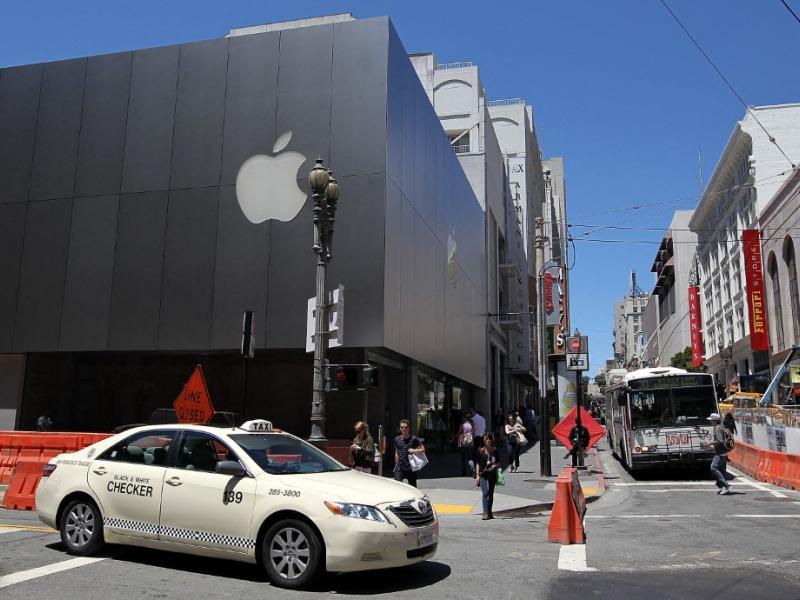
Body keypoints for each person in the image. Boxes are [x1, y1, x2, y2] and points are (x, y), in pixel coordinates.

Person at [475, 433, 501, 520]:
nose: (488, 440)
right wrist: (477, 476)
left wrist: (495, 466)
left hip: (492, 474)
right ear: (484, 440)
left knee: (491, 493)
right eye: (487, 439)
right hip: (483, 474)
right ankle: (485, 512)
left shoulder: (495, 451)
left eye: (490, 439)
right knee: (485, 492)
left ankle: (489, 512)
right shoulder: (480, 451)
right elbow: (478, 463)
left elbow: (498, 463)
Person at [394, 419, 425, 487]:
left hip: (411, 466)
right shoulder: (397, 439)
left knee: (412, 486)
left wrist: (414, 450)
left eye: (406, 427)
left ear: (409, 428)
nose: (404, 429)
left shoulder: (414, 439)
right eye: (402, 427)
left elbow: (423, 450)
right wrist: (396, 463)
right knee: (397, 485)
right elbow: (396, 451)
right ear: (400, 428)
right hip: (400, 466)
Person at [708, 412, 732, 495]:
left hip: (720, 453)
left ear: (715, 420)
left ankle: (726, 485)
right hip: (724, 451)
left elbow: (719, 441)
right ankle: (723, 487)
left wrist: (710, 443)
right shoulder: (722, 426)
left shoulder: (717, 428)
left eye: (711, 420)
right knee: (722, 470)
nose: (710, 421)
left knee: (713, 468)